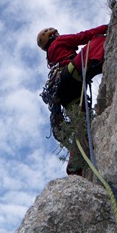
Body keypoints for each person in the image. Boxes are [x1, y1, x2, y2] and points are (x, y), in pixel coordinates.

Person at [37, 24, 108, 176]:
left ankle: (75, 167)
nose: (58, 33)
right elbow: (83, 36)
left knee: (82, 126)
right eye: (56, 33)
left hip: (64, 93)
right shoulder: (59, 41)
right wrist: (108, 27)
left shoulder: (51, 57)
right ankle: (102, 58)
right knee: (97, 41)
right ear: (52, 36)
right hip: (70, 76)